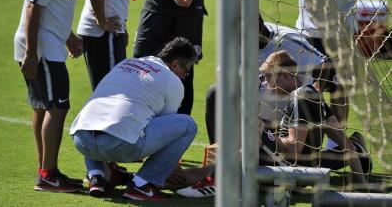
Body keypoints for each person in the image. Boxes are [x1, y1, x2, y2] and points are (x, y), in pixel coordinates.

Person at [177, 51, 371, 198]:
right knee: (188, 175)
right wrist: (360, 185)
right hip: (298, 165)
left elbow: (293, 150)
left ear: (284, 76)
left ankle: (216, 180)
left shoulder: (302, 96)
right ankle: (199, 177)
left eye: (268, 76)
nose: (265, 82)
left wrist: (262, 132)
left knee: (247, 131)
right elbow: (347, 146)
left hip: (290, 170)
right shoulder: (313, 96)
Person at [13, 0, 109, 193]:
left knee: (43, 107)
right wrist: (32, 53)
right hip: (43, 49)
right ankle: (47, 174)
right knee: (57, 108)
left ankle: (46, 171)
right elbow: (33, 7)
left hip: (50, 44)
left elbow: (53, 7)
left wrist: (68, 37)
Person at [76, 0, 166, 196]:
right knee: (108, 101)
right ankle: (96, 174)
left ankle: (103, 168)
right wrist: (103, 21)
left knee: (107, 99)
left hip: (109, 34)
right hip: (103, 36)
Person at [70, 37, 199, 201]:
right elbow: (165, 128)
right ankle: (142, 184)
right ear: (174, 64)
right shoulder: (173, 81)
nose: (185, 76)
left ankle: (96, 176)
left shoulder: (127, 62)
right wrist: (168, 165)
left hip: (81, 140)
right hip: (119, 144)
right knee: (188, 125)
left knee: (98, 113)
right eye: (186, 70)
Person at [205, 16, 331, 144]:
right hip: (258, 123)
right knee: (215, 92)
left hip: (292, 126)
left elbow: (323, 64)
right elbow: (223, 80)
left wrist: (313, 96)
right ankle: (217, 153)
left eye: (243, 36)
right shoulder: (236, 44)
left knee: (295, 156)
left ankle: (348, 148)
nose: (240, 41)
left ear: (259, 26)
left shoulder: (287, 39)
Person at [133, 0, 217, 115]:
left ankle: (179, 130)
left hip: (189, 11)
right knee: (141, 66)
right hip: (155, 8)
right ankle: (137, 122)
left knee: (184, 72)